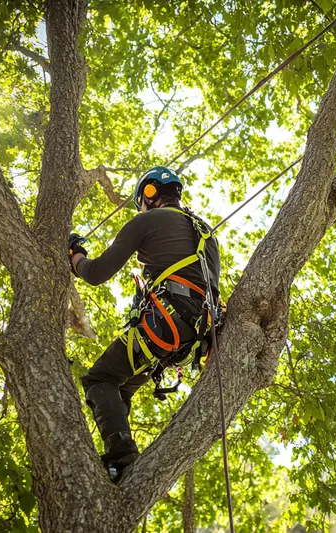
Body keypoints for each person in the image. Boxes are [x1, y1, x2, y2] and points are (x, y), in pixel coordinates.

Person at [68, 166, 221, 480]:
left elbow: (96, 273)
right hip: (188, 336)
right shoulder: (206, 233)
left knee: (99, 380)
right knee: (119, 390)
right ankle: (118, 461)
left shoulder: (146, 220)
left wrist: (75, 256)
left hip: (165, 326)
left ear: (148, 195)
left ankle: (122, 457)